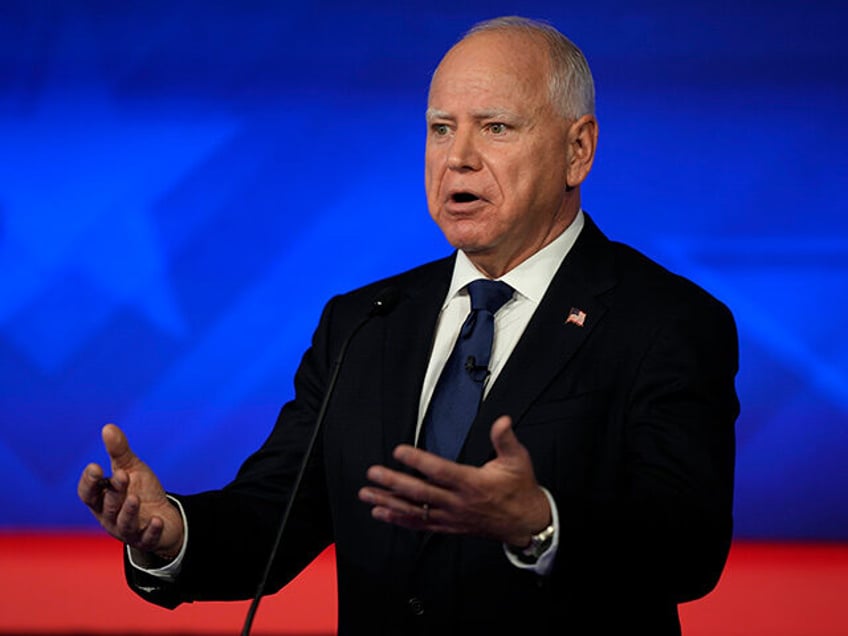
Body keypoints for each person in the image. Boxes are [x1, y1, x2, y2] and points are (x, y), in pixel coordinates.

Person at [78, 16, 738, 635]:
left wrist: (541, 525)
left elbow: (688, 545)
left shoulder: (666, 321)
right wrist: (173, 531)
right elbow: (272, 518)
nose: (458, 157)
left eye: (497, 127)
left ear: (578, 150)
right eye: (440, 128)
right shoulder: (363, 323)